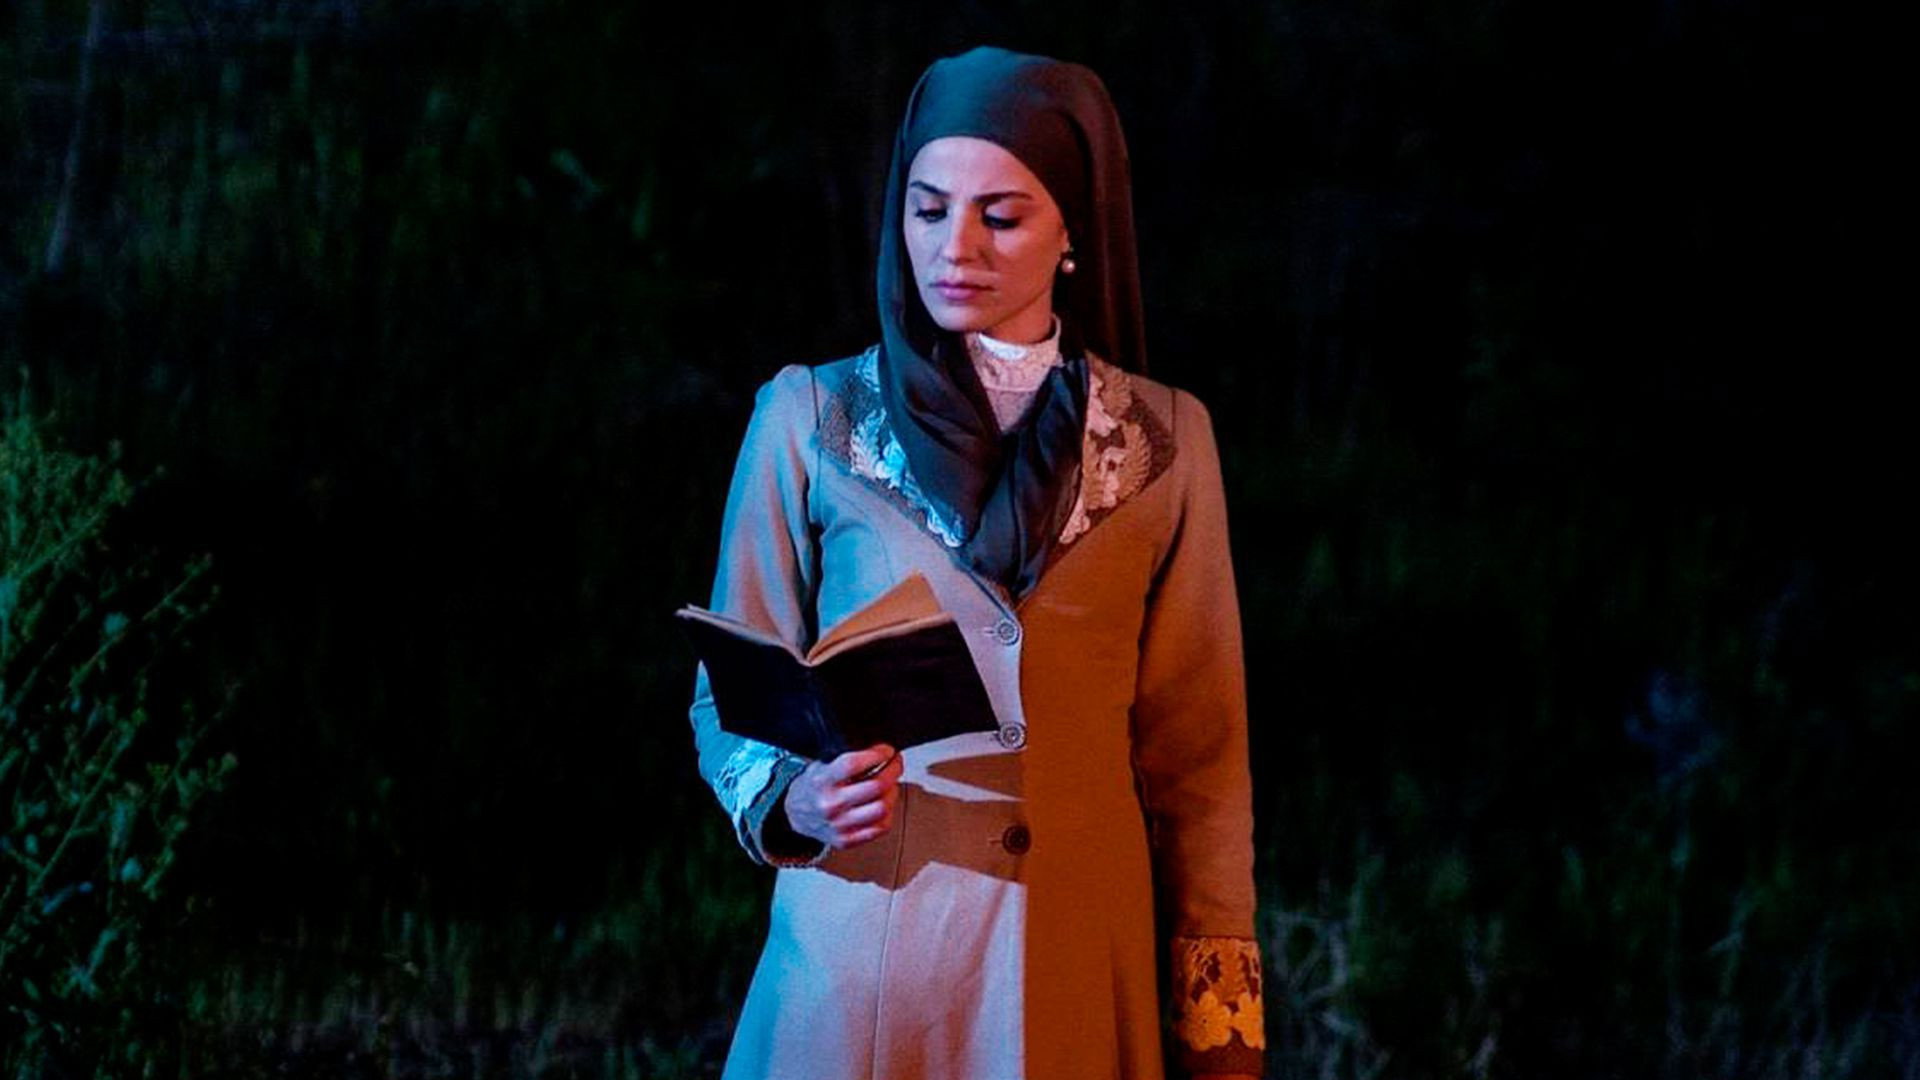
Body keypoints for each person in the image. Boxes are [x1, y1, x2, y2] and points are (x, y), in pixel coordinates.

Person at [687, 45, 1264, 1079]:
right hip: (866, 967)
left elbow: (1201, 761)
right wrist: (793, 800)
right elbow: (725, 690)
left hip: (1077, 965)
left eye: (1000, 217)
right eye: (927, 209)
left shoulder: (1164, 440)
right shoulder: (810, 416)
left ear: (1073, 229)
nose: (955, 248)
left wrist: (1220, 1035)